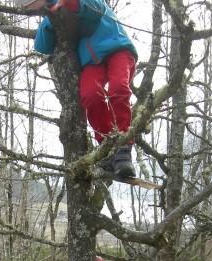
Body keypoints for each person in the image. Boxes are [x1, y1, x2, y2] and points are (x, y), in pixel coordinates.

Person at [17, 0, 139, 180]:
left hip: (118, 49)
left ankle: (123, 146)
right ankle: (107, 147)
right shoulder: (54, 11)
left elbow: (94, 8)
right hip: (91, 61)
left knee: (118, 88)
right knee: (90, 95)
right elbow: (42, 46)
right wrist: (51, 16)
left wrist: (67, 3)